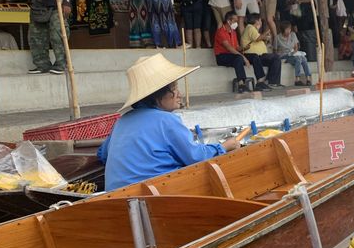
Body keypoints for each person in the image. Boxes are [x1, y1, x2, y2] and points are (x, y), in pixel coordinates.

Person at [97, 54, 239, 191]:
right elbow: (196, 157)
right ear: (157, 95)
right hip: (152, 197)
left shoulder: (122, 122)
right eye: (174, 89)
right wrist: (225, 146)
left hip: (115, 196)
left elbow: (103, 155)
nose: (180, 94)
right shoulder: (166, 121)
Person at [214, 10, 271, 92]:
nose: (237, 23)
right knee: (238, 58)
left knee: (254, 56)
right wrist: (243, 57)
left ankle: (260, 82)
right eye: (235, 21)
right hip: (222, 56)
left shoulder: (233, 32)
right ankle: (242, 84)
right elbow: (229, 48)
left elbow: (237, 47)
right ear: (229, 21)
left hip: (233, 55)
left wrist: (244, 48)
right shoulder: (221, 32)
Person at [241, 14, 282, 88]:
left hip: (260, 56)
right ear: (256, 21)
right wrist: (268, 30)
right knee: (275, 58)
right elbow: (258, 38)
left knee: (276, 59)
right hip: (253, 56)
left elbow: (259, 39)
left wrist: (266, 39)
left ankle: (271, 82)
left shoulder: (254, 30)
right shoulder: (250, 27)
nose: (261, 22)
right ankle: (271, 82)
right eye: (260, 20)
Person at [276, 20, 311, 86]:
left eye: (289, 29)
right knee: (298, 59)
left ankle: (308, 79)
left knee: (303, 58)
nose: (289, 31)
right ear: (283, 29)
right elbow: (275, 50)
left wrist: (294, 52)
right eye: (287, 29)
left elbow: (296, 46)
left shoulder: (293, 34)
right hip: (284, 55)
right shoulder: (277, 37)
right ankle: (297, 79)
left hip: (292, 53)